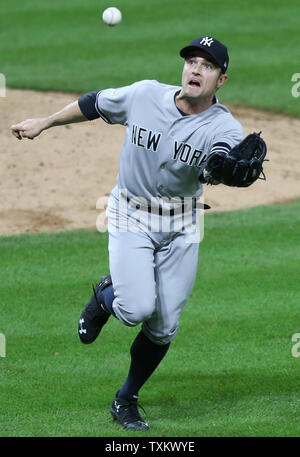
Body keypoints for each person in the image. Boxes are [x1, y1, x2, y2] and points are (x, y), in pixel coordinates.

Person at [11, 36, 244, 431]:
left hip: (183, 224)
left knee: (164, 324)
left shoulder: (224, 127)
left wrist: (223, 167)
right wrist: (45, 122)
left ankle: (126, 400)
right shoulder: (144, 95)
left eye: (207, 66)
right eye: (191, 62)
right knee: (135, 307)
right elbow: (93, 103)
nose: (195, 70)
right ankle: (106, 297)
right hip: (130, 214)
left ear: (221, 80)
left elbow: (226, 156)